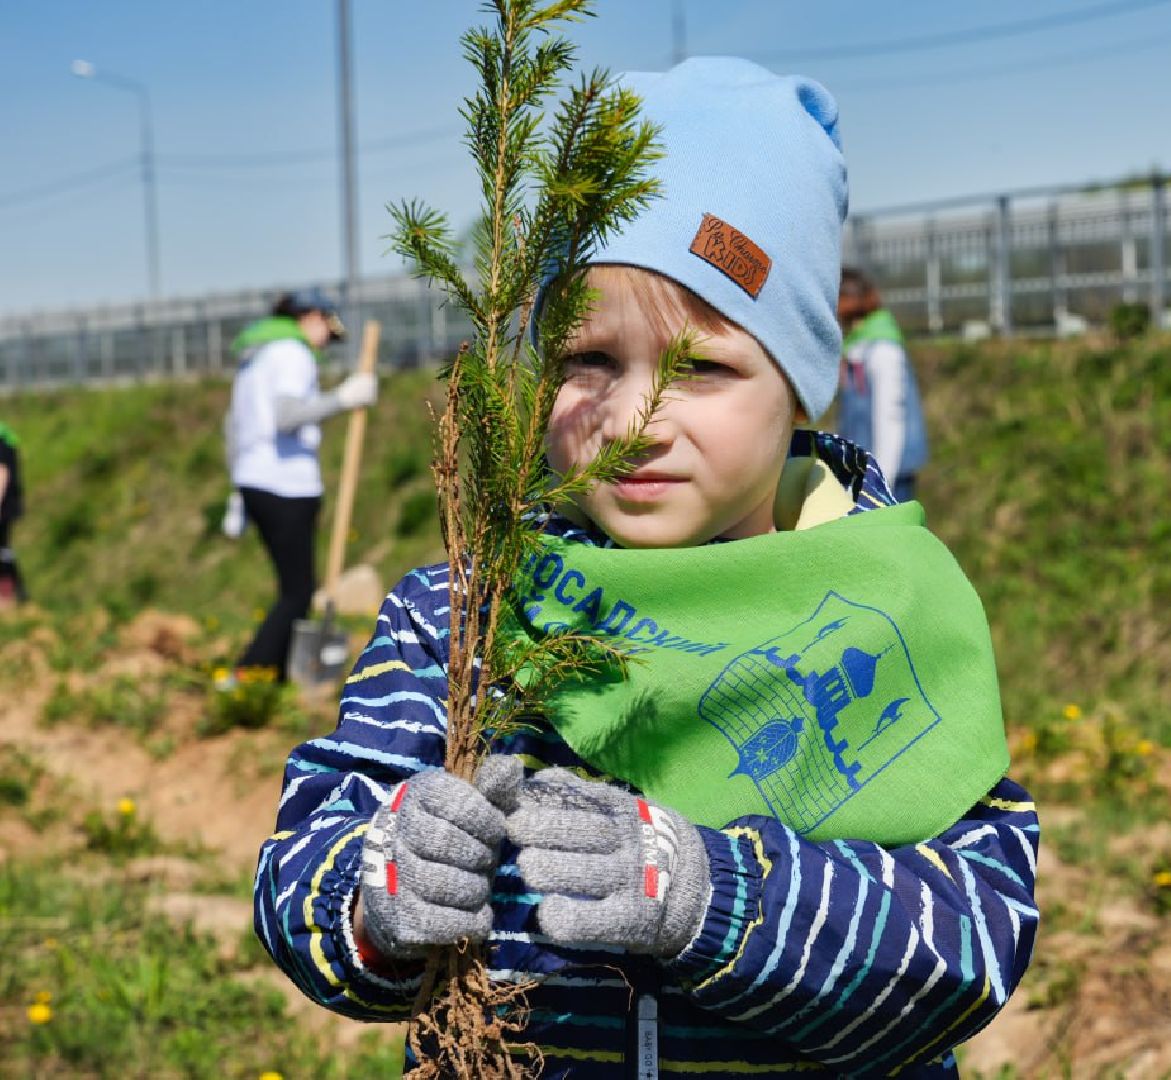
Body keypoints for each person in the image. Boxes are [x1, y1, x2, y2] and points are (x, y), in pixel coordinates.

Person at [254, 58, 1037, 1076]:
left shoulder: (881, 612)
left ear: (800, 389)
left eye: (700, 368)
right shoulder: (463, 617)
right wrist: (373, 892)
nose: (632, 422)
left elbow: (971, 942)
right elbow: (301, 864)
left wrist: (717, 898)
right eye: (585, 360)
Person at [223, 287, 376, 683]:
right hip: (285, 485)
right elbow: (287, 416)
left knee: (294, 588)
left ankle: (274, 675)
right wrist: (344, 398)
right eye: (328, 329)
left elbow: (234, 425)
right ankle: (249, 674)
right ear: (310, 317)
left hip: (257, 480)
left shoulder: (256, 356)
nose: (327, 341)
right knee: (297, 592)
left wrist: (237, 489)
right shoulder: (292, 354)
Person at [836, 268, 929, 502]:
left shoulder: (882, 349)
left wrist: (880, 481)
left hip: (887, 474)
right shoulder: (859, 345)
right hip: (867, 470)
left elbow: (890, 417)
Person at [0, 421, 25, 606]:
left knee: (3, 549)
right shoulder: (7, 438)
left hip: (4, 504)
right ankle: (19, 594)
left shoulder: (1, 441)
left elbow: (1, 473)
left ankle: (7, 597)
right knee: (4, 548)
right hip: (9, 502)